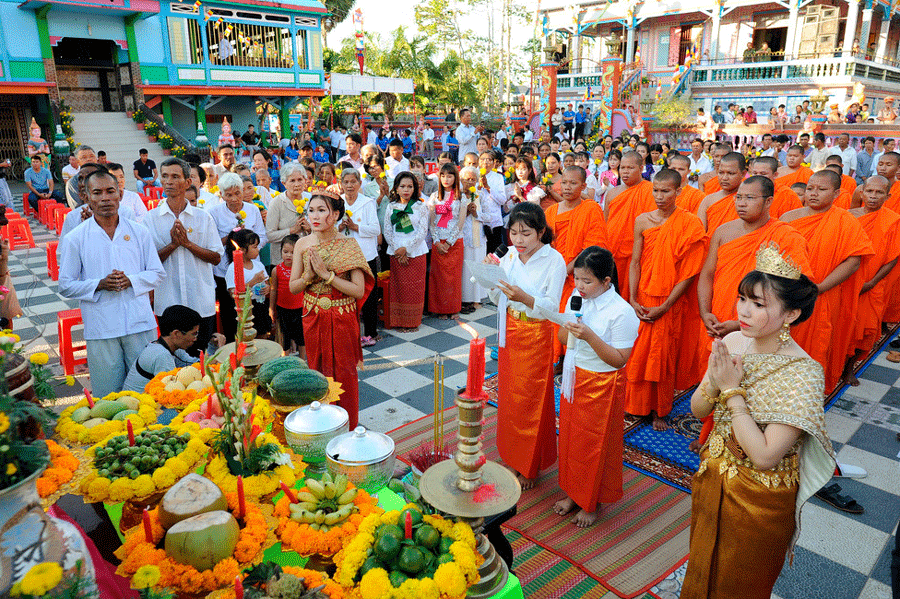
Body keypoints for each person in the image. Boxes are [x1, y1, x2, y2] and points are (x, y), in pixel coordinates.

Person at [682, 249, 835, 599]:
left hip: (759, 498)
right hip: (713, 476)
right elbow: (697, 409)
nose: (744, 311)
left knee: (739, 585)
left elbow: (765, 455)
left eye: (759, 304)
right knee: (701, 566)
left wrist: (732, 390)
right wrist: (714, 379)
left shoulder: (803, 372)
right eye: (741, 299)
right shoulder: (735, 341)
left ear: (791, 314)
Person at [58, 170, 166, 398]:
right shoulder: (76, 237)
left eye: (110, 191)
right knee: (109, 395)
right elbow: (65, 284)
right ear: (86, 197)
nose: (105, 198)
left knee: (148, 391)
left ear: (120, 195)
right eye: (97, 192)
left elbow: (157, 273)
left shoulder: (139, 232)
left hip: (139, 323)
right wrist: (99, 284)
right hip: (101, 327)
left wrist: (132, 280)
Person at [553, 246, 639, 526]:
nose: (579, 286)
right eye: (576, 279)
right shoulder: (576, 299)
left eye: (587, 281)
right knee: (570, 440)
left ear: (606, 281)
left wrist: (589, 336)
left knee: (595, 444)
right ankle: (572, 492)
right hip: (574, 377)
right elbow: (564, 340)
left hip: (602, 383)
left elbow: (618, 360)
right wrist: (569, 325)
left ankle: (591, 501)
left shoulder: (621, 312)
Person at [696, 175, 812, 380]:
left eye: (749, 198)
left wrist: (739, 324)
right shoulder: (723, 232)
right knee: (712, 384)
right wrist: (705, 313)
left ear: (768, 201)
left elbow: (793, 290)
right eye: (738, 197)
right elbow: (707, 275)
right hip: (717, 321)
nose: (741, 203)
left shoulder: (786, 237)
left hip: (761, 328)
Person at [489, 202, 566, 489]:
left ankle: (530, 464)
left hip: (535, 334)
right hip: (510, 330)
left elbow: (552, 308)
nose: (518, 241)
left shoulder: (553, 260)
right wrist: (490, 279)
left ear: (541, 232)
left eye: (526, 234)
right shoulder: (509, 256)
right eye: (513, 233)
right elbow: (498, 298)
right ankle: (512, 455)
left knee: (531, 400)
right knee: (510, 398)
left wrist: (525, 298)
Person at [626, 169, 707, 430]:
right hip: (643, 295)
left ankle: (659, 410)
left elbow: (689, 273)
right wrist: (631, 297)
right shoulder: (642, 220)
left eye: (666, 191)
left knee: (663, 356)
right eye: (656, 190)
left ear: (678, 192)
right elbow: (635, 261)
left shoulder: (689, 223)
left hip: (669, 299)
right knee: (638, 352)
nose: (659, 196)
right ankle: (634, 405)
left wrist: (666, 305)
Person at [781, 170, 873, 392]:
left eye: (821, 189)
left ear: (837, 193)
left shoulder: (845, 221)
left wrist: (819, 288)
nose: (813, 194)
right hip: (786, 294)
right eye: (810, 188)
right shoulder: (788, 218)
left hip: (823, 293)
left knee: (817, 343)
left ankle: (806, 393)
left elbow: (853, 262)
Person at [289, 190, 374, 429]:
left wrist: (327, 276)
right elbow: (294, 287)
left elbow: (358, 290)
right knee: (316, 369)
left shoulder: (348, 245)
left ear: (336, 214)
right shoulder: (302, 244)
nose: (315, 216)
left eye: (322, 210)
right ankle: (320, 428)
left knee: (345, 373)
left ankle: (347, 427)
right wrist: (308, 276)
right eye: (311, 210)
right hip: (313, 316)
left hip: (341, 316)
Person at [146, 158, 223, 356]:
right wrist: (173, 245)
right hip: (168, 302)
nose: (169, 181)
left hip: (200, 300)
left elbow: (216, 257)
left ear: (188, 182)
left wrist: (188, 244)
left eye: (175, 176)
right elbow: (147, 262)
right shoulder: (151, 219)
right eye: (165, 176)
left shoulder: (202, 218)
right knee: (172, 362)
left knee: (201, 358)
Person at [545, 166, 608, 354]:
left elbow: (591, 248)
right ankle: (556, 356)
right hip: (553, 276)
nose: (567, 187)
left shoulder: (590, 209)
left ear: (583, 186)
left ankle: (570, 358)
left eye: (573, 183)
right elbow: (543, 245)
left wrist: (565, 270)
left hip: (579, 278)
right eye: (564, 182)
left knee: (574, 319)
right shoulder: (550, 212)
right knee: (552, 316)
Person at [845, 176, 899, 382]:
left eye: (879, 193)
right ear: (862, 192)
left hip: (872, 284)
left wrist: (872, 282)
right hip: (847, 281)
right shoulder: (848, 216)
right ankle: (834, 364)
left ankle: (849, 367)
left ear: (888, 196)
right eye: (870, 192)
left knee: (866, 330)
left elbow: (892, 258)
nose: (873, 196)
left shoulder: (892, 220)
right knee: (843, 327)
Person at [209, 172, 268, 342]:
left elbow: (263, 237)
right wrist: (232, 236)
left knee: (255, 312)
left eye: (237, 193)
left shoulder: (252, 209)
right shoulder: (214, 213)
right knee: (231, 314)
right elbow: (213, 244)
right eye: (229, 195)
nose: (234, 199)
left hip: (251, 269)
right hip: (225, 271)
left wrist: (250, 246)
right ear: (221, 195)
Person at [122, 305, 220, 392]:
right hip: (140, 407)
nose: (195, 338)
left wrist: (212, 345)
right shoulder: (162, 355)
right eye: (194, 334)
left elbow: (195, 364)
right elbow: (173, 391)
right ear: (176, 333)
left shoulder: (172, 347)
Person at [604, 152, 656, 301]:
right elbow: (605, 222)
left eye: (630, 168)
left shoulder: (650, 190)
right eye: (622, 167)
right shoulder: (612, 193)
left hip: (638, 254)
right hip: (612, 253)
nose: (625, 172)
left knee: (634, 296)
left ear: (641, 168)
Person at [382, 172, 429, 331]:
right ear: (396, 188)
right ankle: (399, 321)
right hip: (396, 252)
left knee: (414, 288)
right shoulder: (391, 206)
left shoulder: (420, 206)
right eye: (402, 186)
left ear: (415, 188)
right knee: (399, 287)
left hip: (415, 253)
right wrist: (398, 250)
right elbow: (387, 231)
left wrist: (406, 250)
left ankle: (413, 322)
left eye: (410, 186)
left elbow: (422, 232)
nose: (406, 190)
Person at [339, 169, 380, 344]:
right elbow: (330, 227)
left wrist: (356, 227)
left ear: (359, 183)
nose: (349, 186)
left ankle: (371, 332)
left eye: (353, 182)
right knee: (346, 295)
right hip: (344, 255)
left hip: (365, 254)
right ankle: (350, 332)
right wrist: (339, 227)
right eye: (346, 182)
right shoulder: (337, 203)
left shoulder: (368, 202)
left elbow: (376, 229)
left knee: (369, 294)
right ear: (341, 183)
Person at [428, 164, 468, 318]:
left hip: (455, 242)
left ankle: (453, 308)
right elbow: (432, 222)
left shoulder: (461, 198)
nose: (446, 179)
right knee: (439, 277)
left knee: (453, 277)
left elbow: (460, 222)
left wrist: (449, 242)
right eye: (443, 175)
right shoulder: (434, 197)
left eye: (450, 176)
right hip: (438, 240)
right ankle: (440, 309)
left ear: (455, 178)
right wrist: (437, 241)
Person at [225, 228, 272, 338]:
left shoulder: (258, 265)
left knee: (263, 335)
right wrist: (253, 282)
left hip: (261, 306)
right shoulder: (234, 269)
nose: (258, 250)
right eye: (254, 247)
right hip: (246, 309)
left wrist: (267, 288)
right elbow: (234, 294)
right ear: (242, 249)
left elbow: (266, 283)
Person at [697, 152, 748, 232]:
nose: (724, 178)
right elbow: (700, 233)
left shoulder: (750, 200)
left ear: (743, 174)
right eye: (721, 173)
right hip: (713, 244)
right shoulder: (708, 200)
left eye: (730, 173)